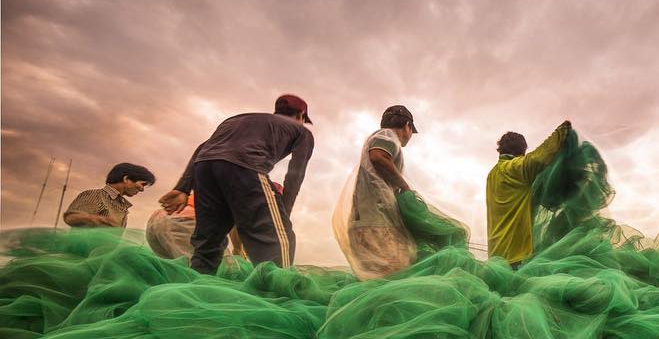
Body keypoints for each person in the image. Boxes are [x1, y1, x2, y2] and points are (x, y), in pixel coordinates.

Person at [158, 94, 314, 273]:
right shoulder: (302, 132)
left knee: (208, 242)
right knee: (278, 238)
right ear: (301, 115)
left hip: (204, 168)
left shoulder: (236, 120)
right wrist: (283, 216)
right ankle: (279, 294)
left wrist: (183, 188)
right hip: (245, 166)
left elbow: (203, 148)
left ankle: (198, 283)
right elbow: (295, 174)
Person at [333, 105, 419, 278]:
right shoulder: (388, 135)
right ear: (407, 125)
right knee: (395, 277)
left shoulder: (377, 138)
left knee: (375, 281)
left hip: (364, 223)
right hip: (376, 224)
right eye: (411, 131)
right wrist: (405, 186)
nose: (410, 136)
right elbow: (378, 156)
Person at [486, 120, 571, 267]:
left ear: (500, 150)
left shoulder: (492, 174)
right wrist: (561, 132)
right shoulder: (515, 169)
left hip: (495, 257)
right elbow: (538, 158)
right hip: (516, 256)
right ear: (522, 152)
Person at [63, 163, 155, 228]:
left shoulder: (122, 206)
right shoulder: (95, 195)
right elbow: (70, 217)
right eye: (142, 184)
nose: (142, 189)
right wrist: (95, 219)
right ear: (126, 179)